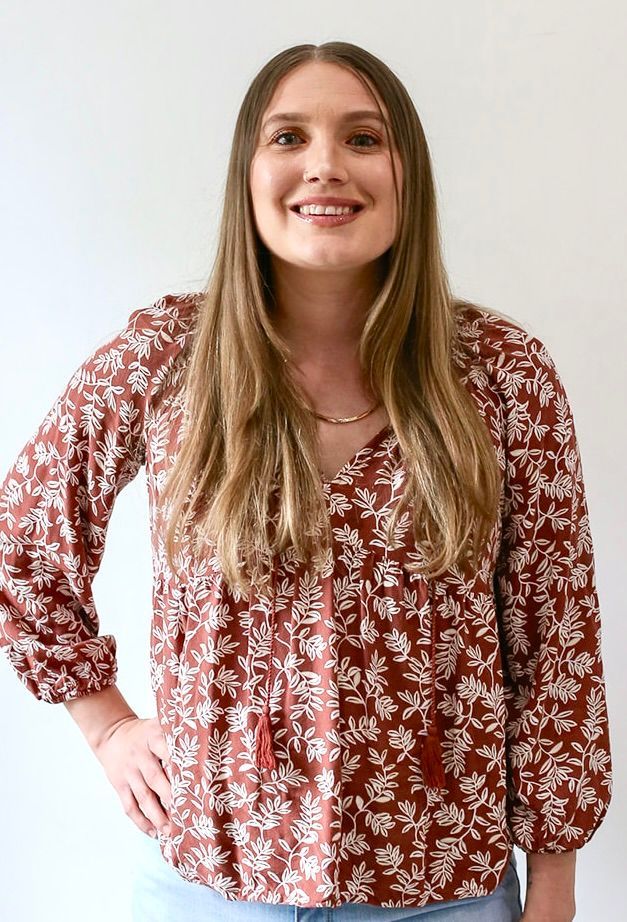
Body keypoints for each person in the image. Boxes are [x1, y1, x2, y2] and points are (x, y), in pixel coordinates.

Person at [0, 41, 612, 922]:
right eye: (288, 137)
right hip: (209, 886)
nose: (324, 164)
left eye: (363, 138)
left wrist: (553, 884)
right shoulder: (166, 361)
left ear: (408, 174)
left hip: (443, 894)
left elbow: (556, 639)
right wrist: (106, 725)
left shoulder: (500, 376)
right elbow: (25, 543)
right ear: (246, 174)